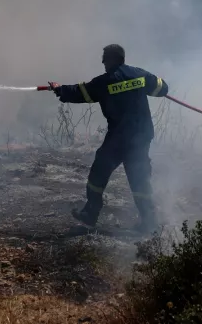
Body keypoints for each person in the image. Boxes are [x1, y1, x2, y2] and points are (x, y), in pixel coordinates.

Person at [50, 44, 169, 232]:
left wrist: (59, 89)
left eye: (104, 58)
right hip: (141, 136)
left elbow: (80, 92)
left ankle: (90, 213)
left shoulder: (104, 82)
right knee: (139, 179)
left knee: (98, 173)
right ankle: (149, 221)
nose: (103, 62)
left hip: (119, 139)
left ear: (112, 59)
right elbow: (162, 88)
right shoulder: (139, 74)